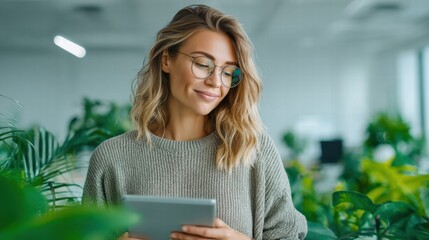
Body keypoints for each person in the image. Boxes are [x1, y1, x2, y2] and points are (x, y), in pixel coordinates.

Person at [83, 4, 307, 240]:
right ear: (166, 59)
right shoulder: (112, 158)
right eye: (203, 64)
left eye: (228, 72)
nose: (215, 82)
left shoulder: (253, 150)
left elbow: (288, 234)